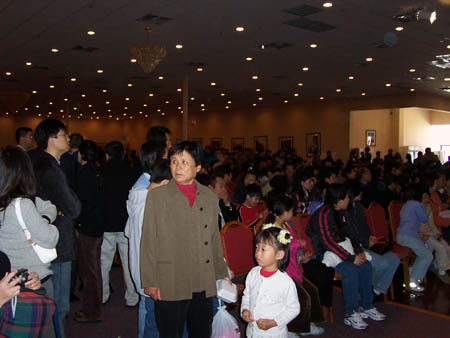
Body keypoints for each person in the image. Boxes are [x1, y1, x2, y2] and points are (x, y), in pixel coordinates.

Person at [140, 141, 229, 338]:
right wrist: (150, 281)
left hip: (201, 276)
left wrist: (220, 272)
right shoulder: (157, 196)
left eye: (184, 162)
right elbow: (148, 241)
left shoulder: (209, 196)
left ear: (197, 167)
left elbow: (214, 237)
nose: (178, 167)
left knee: (201, 331)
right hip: (170, 278)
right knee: (170, 332)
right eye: (173, 161)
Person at [307, 184, 385, 330]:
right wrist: (350, 258)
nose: (350, 199)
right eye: (347, 197)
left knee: (366, 265)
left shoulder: (342, 211)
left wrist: (358, 251)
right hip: (326, 253)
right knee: (351, 270)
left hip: (343, 249)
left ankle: (367, 306)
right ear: (339, 200)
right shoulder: (322, 214)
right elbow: (327, 242)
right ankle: (351, 313)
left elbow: (351, 233)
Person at [32, 119, 81, 337]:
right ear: (52, 139)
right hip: (57, 243)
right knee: (58, 305)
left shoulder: (42, 162)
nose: (68, 139)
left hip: (48, 239)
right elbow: (73, 207)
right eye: (64, 135)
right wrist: (64, 206)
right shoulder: (48, 167)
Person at [0, 146, 59, 297]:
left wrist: (42, 218)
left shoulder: (10, 203)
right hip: (32, 279)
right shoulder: (22, 205)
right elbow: (50, 238)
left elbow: (47, 207)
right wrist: (45, 222)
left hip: (6, 281)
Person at [125, 141, 169, 338]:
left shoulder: (140, 195)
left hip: (146, 273)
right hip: (153, 278)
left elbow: (129, 232)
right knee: (153, 324)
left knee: (152, 320)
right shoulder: (150, 205)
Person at [265, 195, 325, 336]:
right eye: (291, 211)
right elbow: (283, 247)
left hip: (294, 267)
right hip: (283, 272)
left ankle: (307, 323)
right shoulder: (271, 229)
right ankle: (294, 328)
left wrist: (302, 256)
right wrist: (298, 243)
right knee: (303, 298)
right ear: (284, 212)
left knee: (312, 291)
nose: (293, 214)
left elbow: (292, 245)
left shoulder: (285, 225)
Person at [99, 141, 139, 307]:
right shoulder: (131, 172)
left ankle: (103, 295)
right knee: (128, 262)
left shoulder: (100, 172)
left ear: (107, 155)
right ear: (123, 154)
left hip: (106, 223)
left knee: (103, 263)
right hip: (125, 224)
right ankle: (132, 297)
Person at [240, 227, 300, 338]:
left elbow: (293, 308)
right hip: (252, 332)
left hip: (274, 334)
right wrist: (245, 309)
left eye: (263, 249)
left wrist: (274, 322)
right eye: (257, 247)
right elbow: (247, 295)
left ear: (279, 255)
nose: (257, 253)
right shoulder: (253, 273)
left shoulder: (285, 282)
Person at [346, 181, 400, 297]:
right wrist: (365, 241)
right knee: (382, 264)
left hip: (365, 243)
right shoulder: (345, 211)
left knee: (394, 259)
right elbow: (349, 235)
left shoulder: (358, 207)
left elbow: (364, 228)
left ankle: (377, 290)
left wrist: (370, 237)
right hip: (354, 247)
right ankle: (367, 292)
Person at [73, 140, 104, 323]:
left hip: (87, 228)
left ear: (82, 154)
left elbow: (81, 205)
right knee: (94, 271)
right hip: (97, 227)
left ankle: (91, 311)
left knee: (89, 273)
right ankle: (93, 309)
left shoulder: (84, 174)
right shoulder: (97, 171)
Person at [397, 183, 434, 292]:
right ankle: (413, 280)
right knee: (427, 256)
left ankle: (412, 271)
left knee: (429, 246)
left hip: (405, 236)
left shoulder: (406, 204)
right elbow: (425, 218)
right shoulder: (416, 205)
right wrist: (427, 208)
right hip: (408, 237)